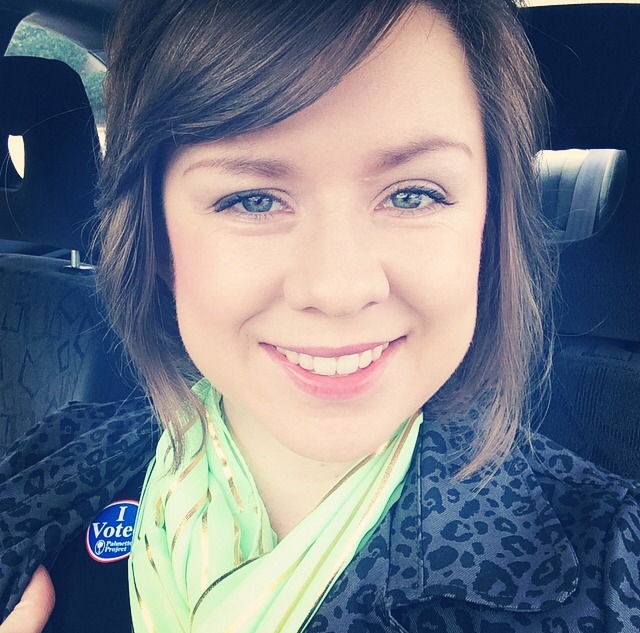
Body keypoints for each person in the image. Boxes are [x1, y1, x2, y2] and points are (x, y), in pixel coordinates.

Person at [1, 0, 639, 631]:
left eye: (412, 195)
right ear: (156, 237)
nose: (338, 289)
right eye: (252, 200)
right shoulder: (51, 466)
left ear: (488, 226)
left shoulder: (611, 565)